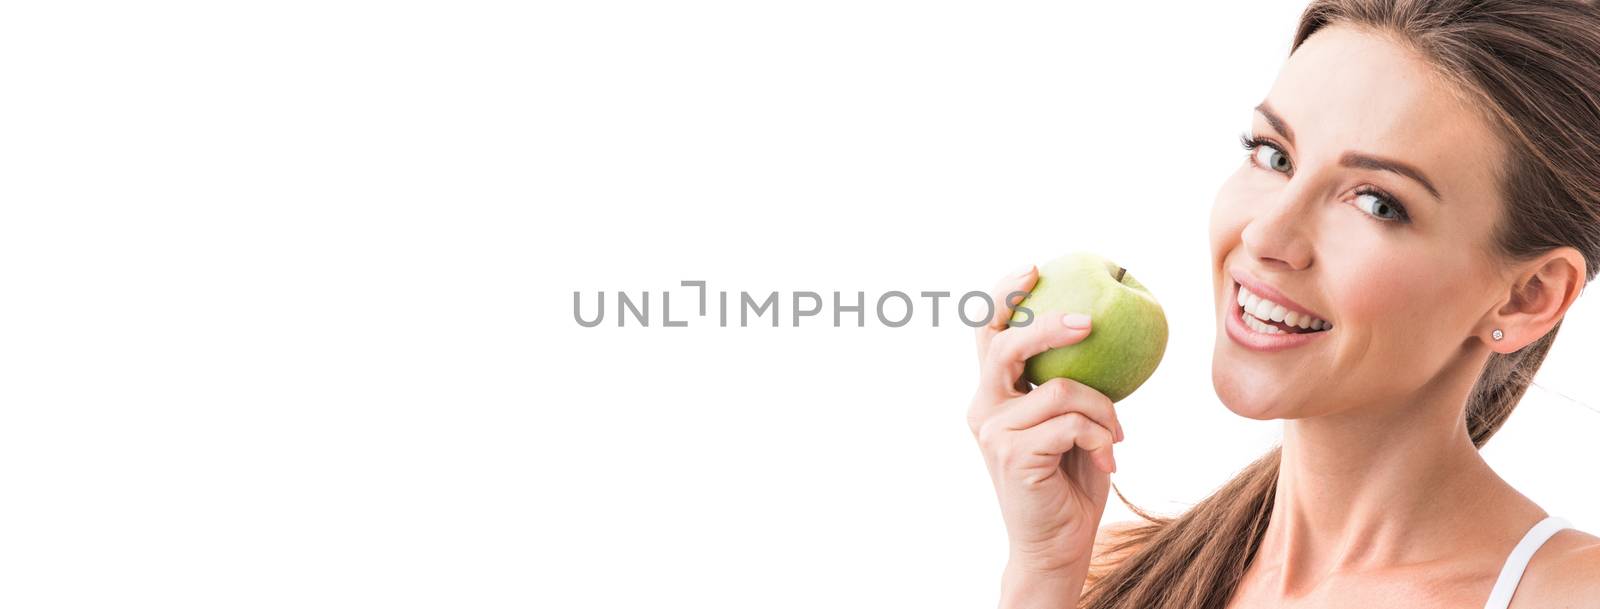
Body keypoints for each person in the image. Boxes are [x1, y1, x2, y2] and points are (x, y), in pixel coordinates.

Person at [966, 1, 1600, 607]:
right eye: (1274, 155)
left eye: (1378, 202)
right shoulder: (1109, 573)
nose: (1265, 236)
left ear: (1527, 297)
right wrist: (1044, 574)